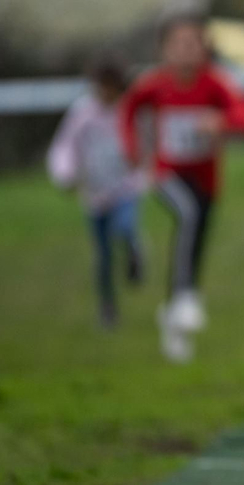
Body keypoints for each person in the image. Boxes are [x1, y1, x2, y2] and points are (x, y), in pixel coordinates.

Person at [120, 14, 244, 362]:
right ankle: (185, 296)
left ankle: (174, 317)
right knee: (188, 214)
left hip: (206, 180)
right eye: (179, 44)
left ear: (205, 47)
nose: (186, 50)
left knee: (194, 239)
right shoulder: (154, 85)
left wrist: (221, 121)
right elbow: (128, 111)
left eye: (194, 43)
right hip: (166, 174)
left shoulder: (215, 83)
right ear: (164, 49)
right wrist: (134, 152)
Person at [48, 53, 147, 329]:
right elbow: (65, 146)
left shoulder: (130, 109)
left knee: (125, 227)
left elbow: (148, 137)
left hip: (126, 187)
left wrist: (145, 162)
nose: (105, 92)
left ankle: (134, 253)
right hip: (95, 194)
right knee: (103, 256)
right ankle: (107, 307)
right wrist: (65, 174)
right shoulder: (82, 113)